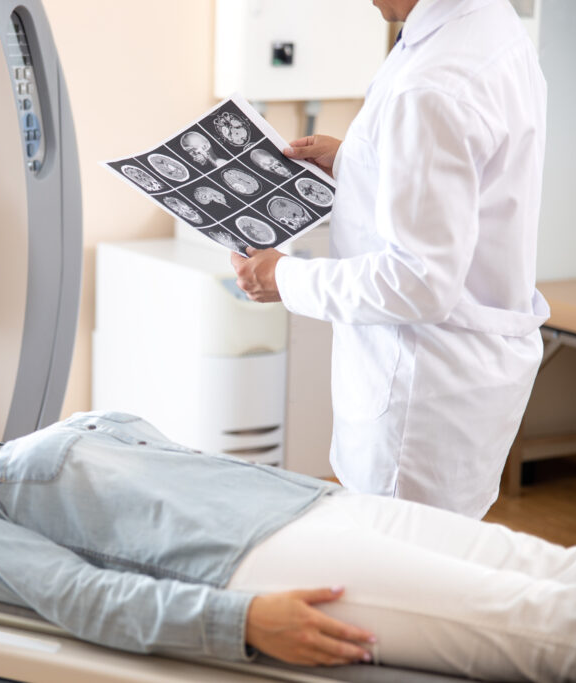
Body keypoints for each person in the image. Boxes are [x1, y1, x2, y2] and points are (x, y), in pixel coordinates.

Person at [0, 388, 576, 682]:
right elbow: (76, 596)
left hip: (315, 506)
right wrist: (240, 622)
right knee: (541, 622)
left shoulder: (4, 458)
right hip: (256, 561)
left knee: (561, 568)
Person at [230, 0, 549, 518]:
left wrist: (282, 278)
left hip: (420, 397)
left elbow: (417, 281)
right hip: (460, 379)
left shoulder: (431, 85)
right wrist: (362, 158)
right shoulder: (489, 24)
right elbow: (467, 174)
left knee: (397, 569)